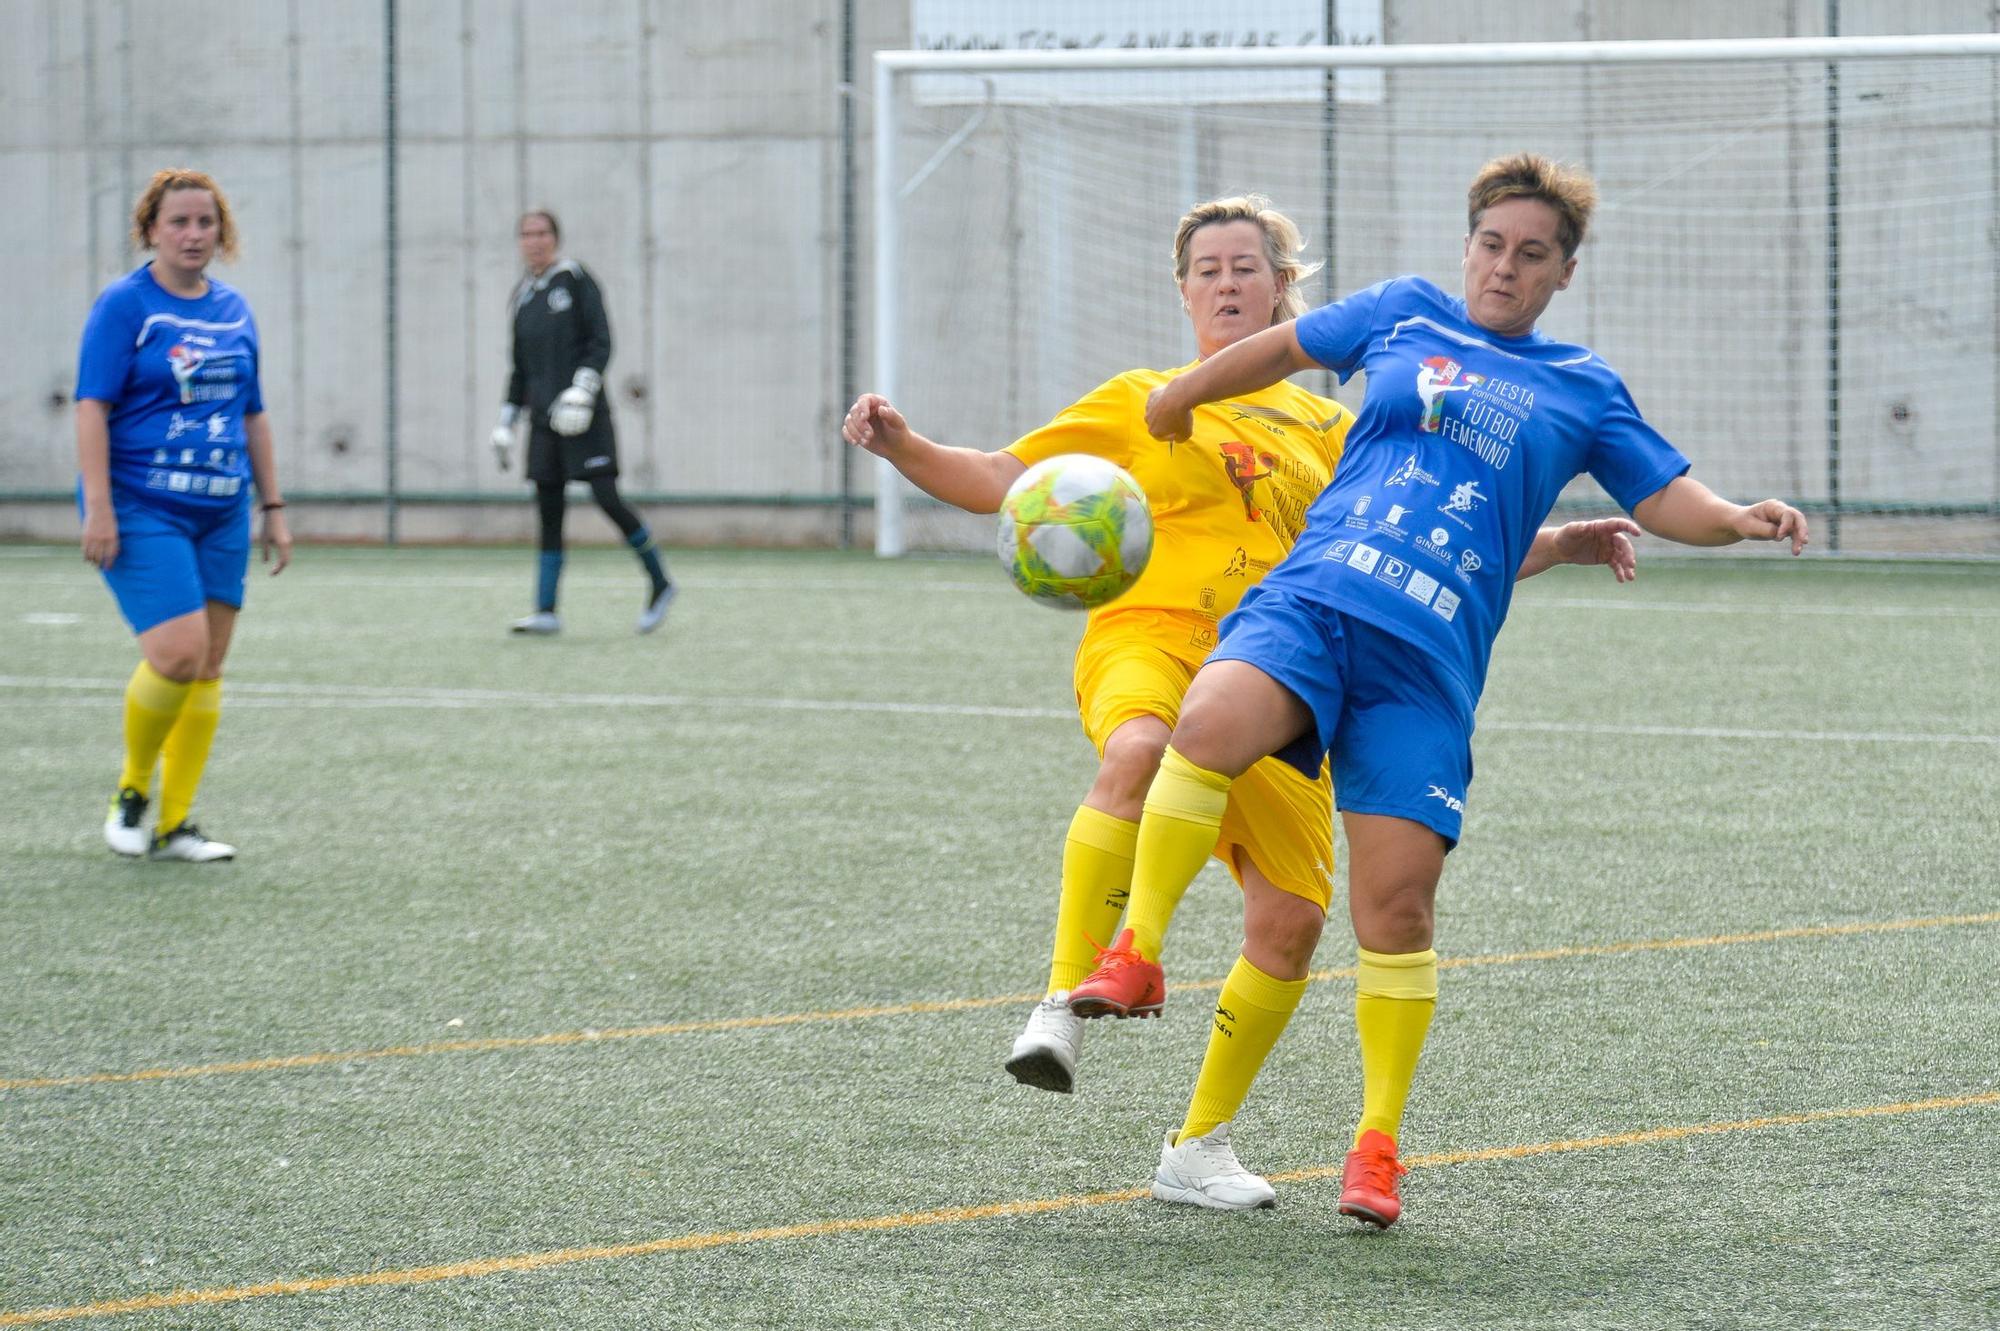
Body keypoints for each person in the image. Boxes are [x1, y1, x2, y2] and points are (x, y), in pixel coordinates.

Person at [843, 195, 1640, 1212]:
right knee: (1141, 745)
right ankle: (1061, 998)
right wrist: (905, 447)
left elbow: (1418, 551)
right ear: (1181, 292)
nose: (1225, 283)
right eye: (1206, 269)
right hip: (1158, 641)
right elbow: (1004, 477)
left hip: (1296, 668)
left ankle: (1197, 1144)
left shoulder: (1336, 423)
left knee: (1293, 919)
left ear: (1280, 289)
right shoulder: (1143, 397)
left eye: (1243, 268)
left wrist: (1558, 544)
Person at [1065, 153, 1809, 1227]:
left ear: (1561, 272)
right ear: (1465, 246)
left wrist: (1736, 515)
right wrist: (1180, 392)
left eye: (1530, 253)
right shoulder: (1402, 313)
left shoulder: (1581, 385)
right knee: (1207, 720)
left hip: (1427, 661)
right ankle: (1132, 952)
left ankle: (1373, 1148)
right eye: (1490, 244)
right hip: (1317, 597)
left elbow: (1666, 493)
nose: (1503, 267)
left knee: (1396, 906)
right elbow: (1279, 347)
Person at [77, 168, 293, 863]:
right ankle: (132, 792)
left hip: (222, 509)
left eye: (206, 222)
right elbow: (91, 407)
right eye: (179, 222)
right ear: (151, 230)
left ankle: (176, 825)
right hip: (142, 504)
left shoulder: (235, 310)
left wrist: (273, 507)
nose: (194, 234)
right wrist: (101, 507)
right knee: (176, 654)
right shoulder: (125, 305)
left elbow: (251, 413)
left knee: (209, 666)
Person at [490, 210, 675, 635]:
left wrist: (583, 389)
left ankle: (661, 582)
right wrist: (506, 421)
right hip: (542, 422)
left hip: (583, 417)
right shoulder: (522, 296)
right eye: (526, 234)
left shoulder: (575, 279)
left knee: (607, 498)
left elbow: (601, 340)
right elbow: (519, 370)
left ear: (556, 237)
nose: (534, 241)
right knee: (548, 509)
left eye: (542, 233)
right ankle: (546, 610)